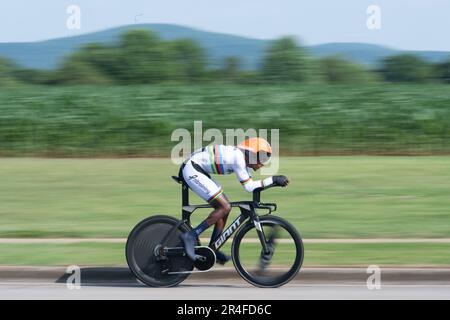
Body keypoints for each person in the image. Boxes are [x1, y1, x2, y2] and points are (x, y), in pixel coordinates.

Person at [179, 137, 289, 264]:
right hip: (191, 169)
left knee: (224, 208)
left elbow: (254, 186)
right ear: (252, 153)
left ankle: (213, 247)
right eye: (262, 158)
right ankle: (190, 236)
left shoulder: (241, 159)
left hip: (197, 168)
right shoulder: (238, 158)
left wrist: (274, 182)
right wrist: (274, 179)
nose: (263, 163)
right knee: (224, 206)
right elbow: (249, 187)